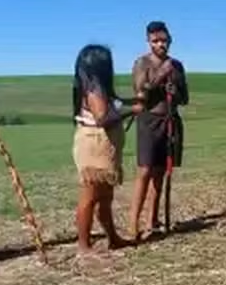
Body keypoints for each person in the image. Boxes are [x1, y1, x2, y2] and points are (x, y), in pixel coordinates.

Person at [72, 44, 140, 255]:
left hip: (104, 148)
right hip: (94, 146)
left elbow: (114, 105)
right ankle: (84, 245)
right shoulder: (93, 90)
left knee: (105, 197)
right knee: (90, 197)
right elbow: (103, 117)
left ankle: (113, 238)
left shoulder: (98, 88)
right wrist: (132, 110)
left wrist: (133, 101)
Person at [128, 20, 189, 240]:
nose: (160, 44)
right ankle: (133, 224)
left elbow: (185, 98)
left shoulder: (177, 66)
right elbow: (140, 91)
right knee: (145, 171)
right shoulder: (142, 63)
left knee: (160, 172)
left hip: (170, 120)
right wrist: (160, 76)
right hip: (149, 121)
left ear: (170, 40)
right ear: (148, 41)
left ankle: (151, 221)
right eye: (155, 41)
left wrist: (175, 91)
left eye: (164, 40)